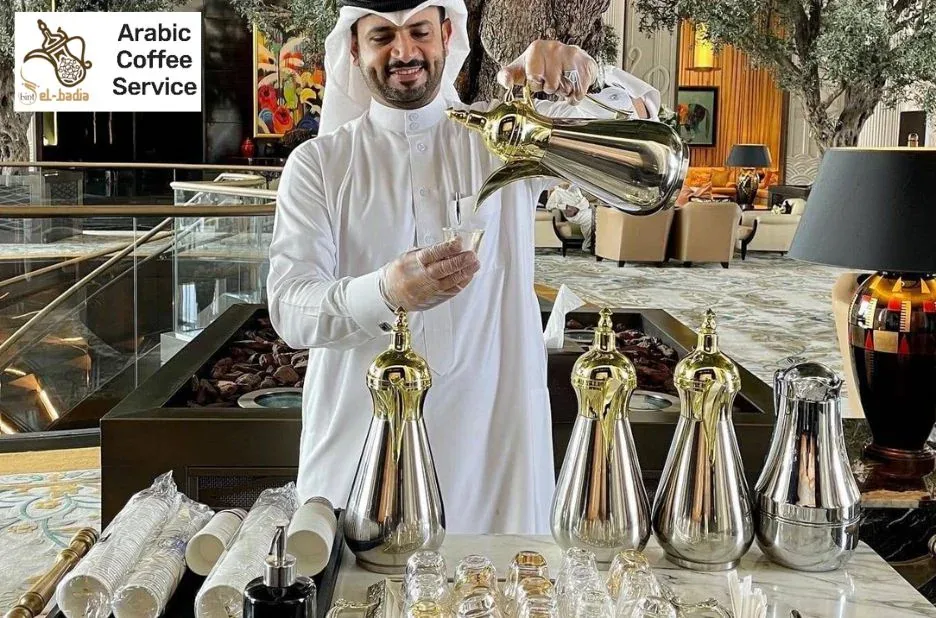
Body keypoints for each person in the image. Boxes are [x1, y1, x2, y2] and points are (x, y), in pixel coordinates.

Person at [267, 0, 661, 534]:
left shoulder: (506, 141)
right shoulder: (319, 164)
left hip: (492, 450)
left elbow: (645, 139)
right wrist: (385, 292)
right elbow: (291, 306)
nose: (404, 51)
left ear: (447, 35)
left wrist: (585, 73)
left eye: (419, 31)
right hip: (359, 449)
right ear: (354, 50)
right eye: (382, 37)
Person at [545, 181, 594, 251]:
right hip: (572, 214)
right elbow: (548, 206)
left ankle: (593, 244)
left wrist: (578, 207)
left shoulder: (575, 188)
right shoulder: (557, 192)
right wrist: (565, 206)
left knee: (596, 215)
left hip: (581, 209)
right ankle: (587, 245)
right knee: (591, 216)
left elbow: (583, 200)